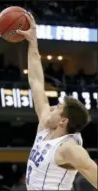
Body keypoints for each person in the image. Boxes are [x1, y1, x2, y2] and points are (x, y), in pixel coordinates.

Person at [16, 13, 97, 190]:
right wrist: (33, 42)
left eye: (57, 108)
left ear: (63, 120)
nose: (51, 107)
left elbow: (93, 172)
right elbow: (36, 81)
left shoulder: (68, 149)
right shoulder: (46, 126)